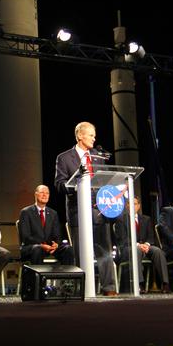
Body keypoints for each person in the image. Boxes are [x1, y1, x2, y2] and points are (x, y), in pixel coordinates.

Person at [54, 121, 118, 296]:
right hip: (78, 212)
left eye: (94, 136)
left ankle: (109, 288)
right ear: (80, 135)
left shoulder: (98, 157)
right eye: (91, 135)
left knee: (104, 251)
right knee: (80, 253)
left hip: (99, 211)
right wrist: (77, 182)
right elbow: (59, 184)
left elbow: (105, 180)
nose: (94, 138)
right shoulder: (64, 158)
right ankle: (82, 289)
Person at [115, 196, 170, 293]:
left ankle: (165, 284)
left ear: (139, 206)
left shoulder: (146, 219)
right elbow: (123, 239)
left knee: (158, 251)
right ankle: (139, 284)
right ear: (126, 206)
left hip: (145, 247)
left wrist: (147, 244)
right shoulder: (121, 219)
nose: (132, 206)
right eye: (130, 204)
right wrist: (137, 245)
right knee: (136, 250)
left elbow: (151, 237)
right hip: (128, 248)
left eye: (135, 204)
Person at [18, 184, 75, 265]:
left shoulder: (53, 213)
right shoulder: (26, 212)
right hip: (32, 247)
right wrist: (42, 245)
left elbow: (57, 235)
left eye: (47, 193)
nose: (45, 195)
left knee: (68, 249)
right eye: (42, 192)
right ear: (36, 194)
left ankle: (65, 273)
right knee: (37, 249)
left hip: (49, 247)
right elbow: (26, 237)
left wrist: (56, 244)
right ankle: (37, 274)